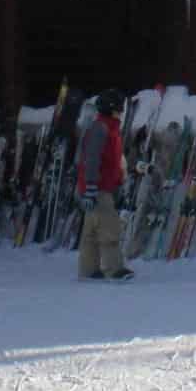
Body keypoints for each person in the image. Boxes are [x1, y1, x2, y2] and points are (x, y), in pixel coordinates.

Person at [76, 89, 134, 281]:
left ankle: (88, 270)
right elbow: (91, 159)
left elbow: (113, 159)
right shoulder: (101, 128)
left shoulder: (109, 129)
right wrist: (91, 188)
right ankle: (114, 269)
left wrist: (120, 178)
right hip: (97, 188)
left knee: (91, 231)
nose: (121, 112)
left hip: (100, 186)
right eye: (119, 108)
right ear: (111, 109)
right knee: (110, 228)